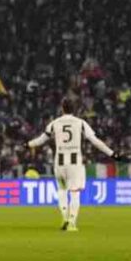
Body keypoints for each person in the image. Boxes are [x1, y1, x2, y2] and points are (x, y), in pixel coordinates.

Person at [27, 98, 119, 232]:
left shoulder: (54, 123)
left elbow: (41, 140)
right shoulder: (80, 123)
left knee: (62, 190)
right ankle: (71, 222)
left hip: (59, 163)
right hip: (74, 163)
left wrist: (28, 144)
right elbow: (95, 141)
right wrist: (112, 153)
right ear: (74, 109)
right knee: (75, 193)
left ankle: (64, 217)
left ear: (62, 108)